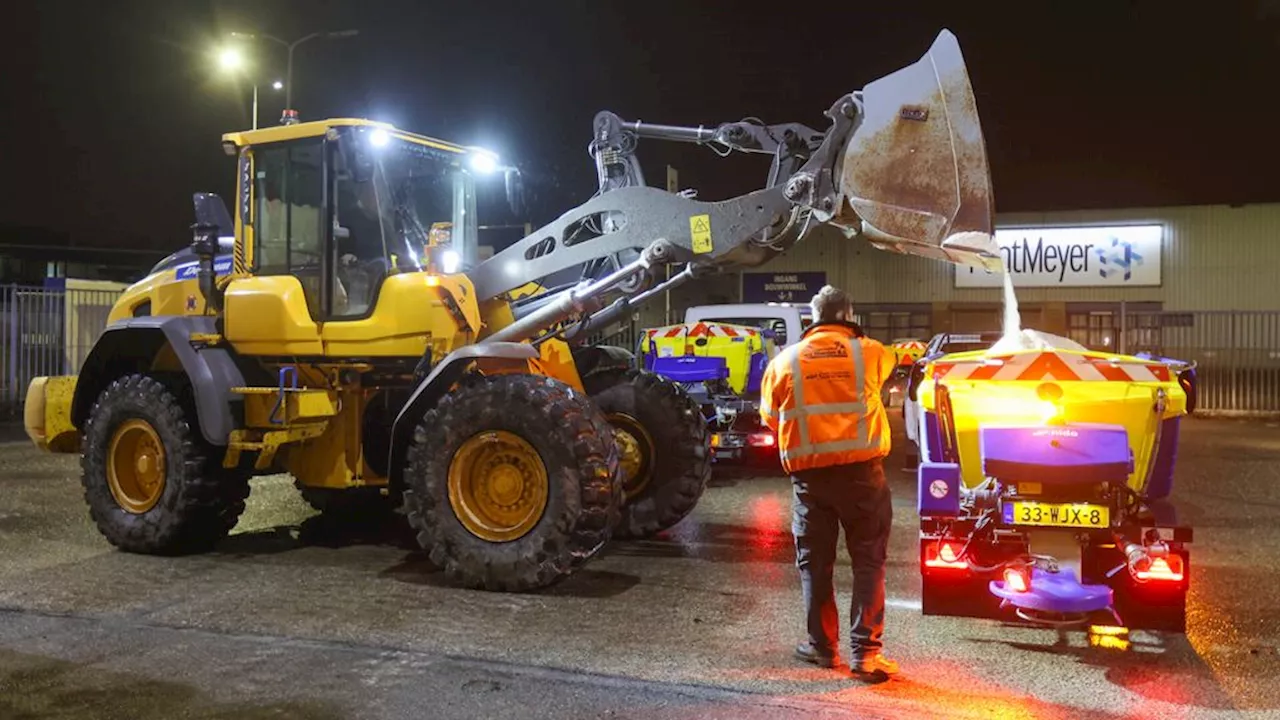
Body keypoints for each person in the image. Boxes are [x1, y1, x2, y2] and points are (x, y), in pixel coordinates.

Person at [760, 285, 898, 681]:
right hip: (863, 477)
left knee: (815, 566)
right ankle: (866, 655)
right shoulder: (871, 352)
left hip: (810, 481)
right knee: (869, 562)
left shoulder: (784, 362)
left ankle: (822, 647)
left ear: (811, 318)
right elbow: (891, 365)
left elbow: (771, 417)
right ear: (850, 317)